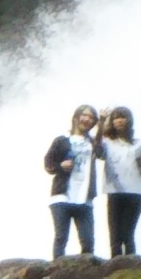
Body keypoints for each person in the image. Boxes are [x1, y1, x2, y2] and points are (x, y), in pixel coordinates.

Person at [97, 109, 141, 260]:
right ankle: (115, 267)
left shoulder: (139, 144)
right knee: (115, 234)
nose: (119, 121)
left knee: (128, 233)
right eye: (115, 118)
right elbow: (97, 150)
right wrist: (101, 122)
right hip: (114, 191)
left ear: (129, 120)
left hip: (135, 192)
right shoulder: (107, 143)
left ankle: (130, 268)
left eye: (123, 117)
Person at [47, 108, 96, 259]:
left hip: (84, 197)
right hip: (62, 197)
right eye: (84, 115)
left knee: (88, 241)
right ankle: (56, 274)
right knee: (61, 238)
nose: (87, 119)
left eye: (92, 117)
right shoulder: (62, 141)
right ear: (76, 117)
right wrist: (60, 166)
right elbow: (48, 163)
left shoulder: (93, 143)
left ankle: (87, 275)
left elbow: (102, 150)